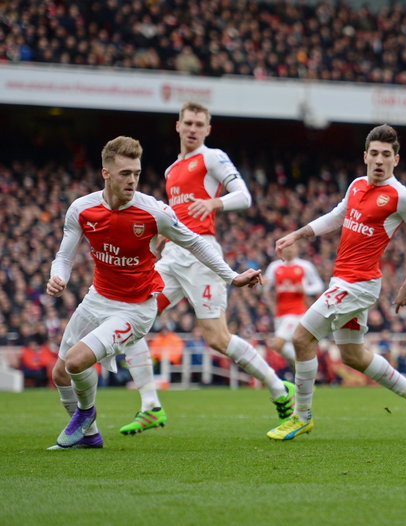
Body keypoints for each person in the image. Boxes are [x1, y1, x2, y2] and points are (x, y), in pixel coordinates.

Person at [47, 136, 262, 449]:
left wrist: (232, 276)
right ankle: (90, 435)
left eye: (136, 172)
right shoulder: (82, 209)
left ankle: (85, 413)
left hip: (135, 308)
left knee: (76, 362)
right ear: (106, 173)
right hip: (97, 299)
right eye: (124, 173)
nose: (132, 180)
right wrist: (58, 277)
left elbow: (196, 241)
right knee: (60, 374)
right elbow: (64, 256)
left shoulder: (154, 211)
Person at [119, 102, 296, 436]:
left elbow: (244, 196)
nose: (193, 128)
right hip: (171, 256)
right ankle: (150, 406)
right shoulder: (172, 170)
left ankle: (277, 387)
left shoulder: (212, 157)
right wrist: (157, 240)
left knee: (217, 337)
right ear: (178, 125)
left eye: (199, 123)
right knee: (131, 319)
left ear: (207, 129)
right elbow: (175, 215)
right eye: (188, 122)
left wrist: (214, 202)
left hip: (201, 255)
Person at [267, 124, 406, 441]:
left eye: (386, 155)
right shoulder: (357, 185)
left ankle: (301, 416)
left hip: (358, 285)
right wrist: (298, 234)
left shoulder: (402, 197)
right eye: (374, 154)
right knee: (352, 356)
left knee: (302, 339)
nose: (379, 160)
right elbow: (336, 216)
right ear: (365, 156)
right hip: (343, 281)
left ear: (396, 160)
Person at [264, 242, 324, 366]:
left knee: (277, 344)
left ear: (297, 248)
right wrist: (263, 288)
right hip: (280, 313)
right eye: (286, 248)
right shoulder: (274, 267)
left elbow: (319, 285)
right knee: (284, 348)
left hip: (297, 312)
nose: (289, 250)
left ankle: (306, 365)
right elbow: (265, 289)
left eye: (292, 247)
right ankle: (303, 371)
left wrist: (305, 289)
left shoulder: (305, 266)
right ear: (281, 250)